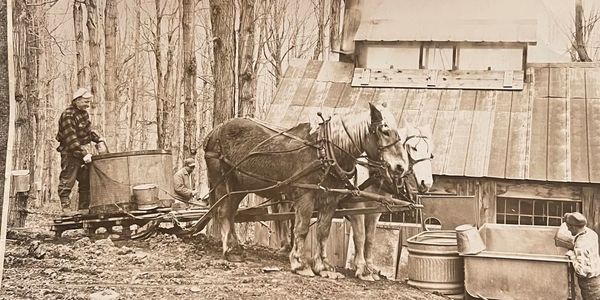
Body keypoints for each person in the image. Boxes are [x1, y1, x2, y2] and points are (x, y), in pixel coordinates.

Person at [56, 87, 103, 216]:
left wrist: (98, 139)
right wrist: (84, 153)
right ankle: (66, 209)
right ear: (77, 100)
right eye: (85, 102)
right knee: (67, 180)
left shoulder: (83, 114)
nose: (88, 105)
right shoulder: (68, 115)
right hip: (70, 153)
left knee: (86, 181)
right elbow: (71, 139)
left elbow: (88, 132)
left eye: (89, 102)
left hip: (82, 153)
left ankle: (83, 209)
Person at [563, 212, 600, 300]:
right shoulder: (591, 233)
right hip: (597, 278)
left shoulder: (581, 244)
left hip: (589, 284)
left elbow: (581, 272)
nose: (568, 230)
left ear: (573, 227)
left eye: (568, 227)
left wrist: (572, 256)